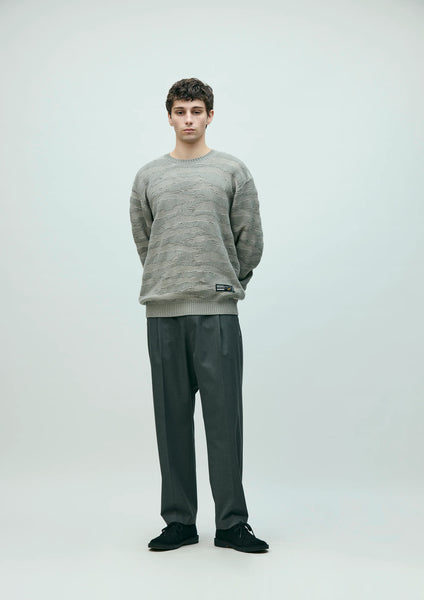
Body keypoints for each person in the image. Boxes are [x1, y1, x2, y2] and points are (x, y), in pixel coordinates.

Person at [129, 77, 268, 553]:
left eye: (196, 111)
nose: (188, 119)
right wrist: (168, 278)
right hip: (163, 313)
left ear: (210, 115)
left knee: (224, 422)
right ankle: (179, 521)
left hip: (217, 313)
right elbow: (145, 238)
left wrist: (228, 282)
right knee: (171, 423)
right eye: (180, 111)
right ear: (169, 116)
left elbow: (250, 237)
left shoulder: (231, 170)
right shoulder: (149, 176)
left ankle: (231, 524)